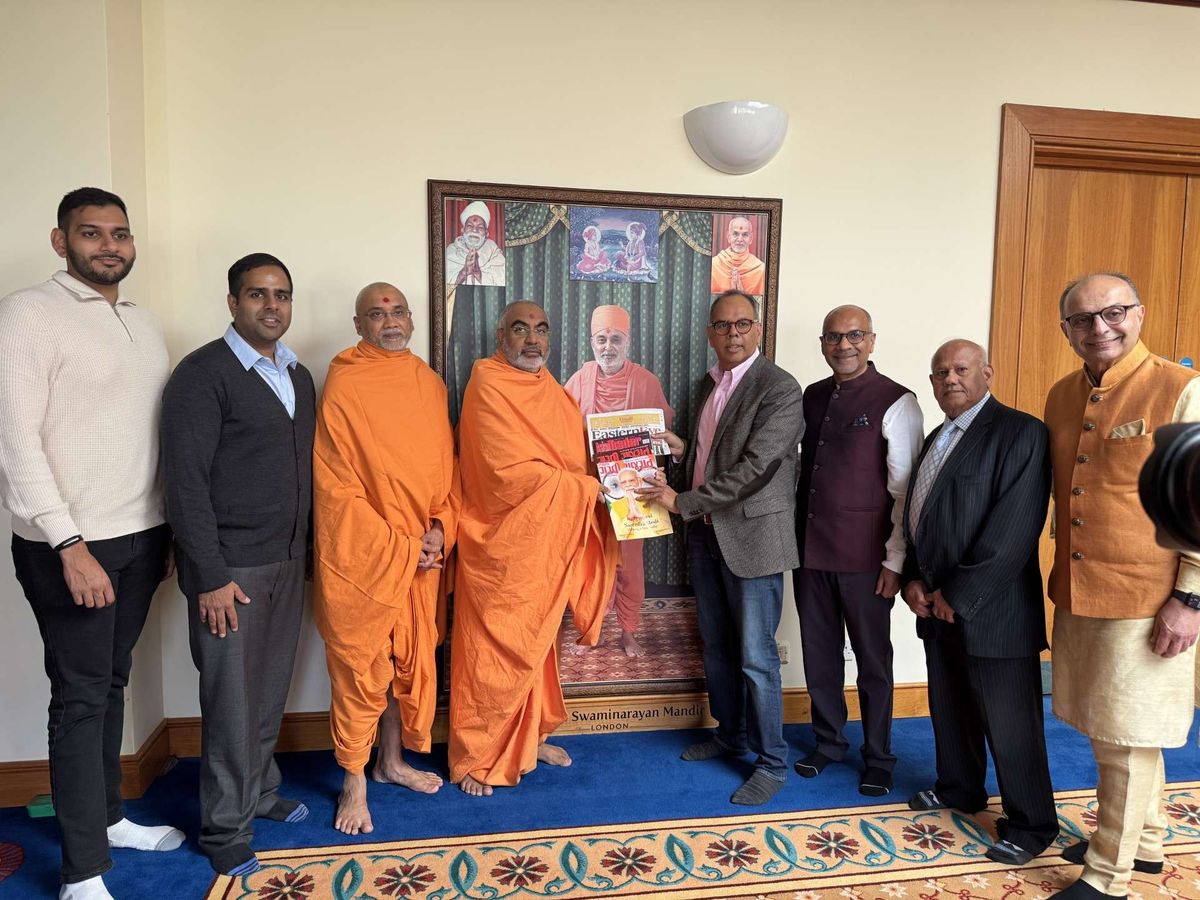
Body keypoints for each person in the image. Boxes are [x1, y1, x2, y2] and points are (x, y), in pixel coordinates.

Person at [0, 187, 182, 900]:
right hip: (69, 545)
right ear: (60, 241)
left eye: (119, 234)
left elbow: (149, 439)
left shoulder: (143, 322)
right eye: (91, 233)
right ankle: (83, 872)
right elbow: (15, 442)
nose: (109, 245)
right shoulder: (26, 314)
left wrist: (163, 530)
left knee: (110, 685)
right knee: (79, 698)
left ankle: (106, 817)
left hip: (139, 537)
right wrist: (68, 544)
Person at [1044, 273, 1200, 899]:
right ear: (1067, 331)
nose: (1098, 328)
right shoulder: (1061, 395)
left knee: (1128, 738)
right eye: (1082, 320)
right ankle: (1148, 842)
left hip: (1152, 596)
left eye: (1112, 313)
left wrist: (1189, 599)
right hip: (1082, 586)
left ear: (1139, 312)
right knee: (1111, 727)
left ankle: (1108, 876)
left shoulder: (1181, 389)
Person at [160, 253, 316, 877]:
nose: (270, 306)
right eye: (257, 295)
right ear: (233, 303)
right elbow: (185, 485)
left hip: (288, 560)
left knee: (269, 689)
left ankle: (263, 791)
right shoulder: (202, 375)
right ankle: (225, 830)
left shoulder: (297, 374)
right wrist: (210, 575)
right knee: (229, 701)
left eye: (281, 295)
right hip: (231, 572)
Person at [639, 290, 803, 806]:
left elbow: (756, 468)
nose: (733, 333)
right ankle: (729, 734)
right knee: (717, 647)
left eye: (742, 324)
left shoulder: (779, 388)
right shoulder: (708, 386)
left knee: (757, 657)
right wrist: (682, 450)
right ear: (710, 332)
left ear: (757, 330)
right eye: (722, 325)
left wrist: (679, 498)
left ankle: (772, 762)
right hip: (708, 535)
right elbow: (714, 454)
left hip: (753, 538)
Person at [449, 300, 618, 797]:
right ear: (501, 335)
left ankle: (528, 737)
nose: (532, 340)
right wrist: (589, 491)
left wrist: (629, 463)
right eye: (520, 329)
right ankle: (480, 753)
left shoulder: (552, 391)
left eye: (541, 329)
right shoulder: (488, 384)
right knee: (495, 648)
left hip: (546, 543)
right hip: (501, 546)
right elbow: (507, 475)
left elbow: (577, 456)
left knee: (538, 642)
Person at [901, 339, 1057, 868]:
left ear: (987, 372)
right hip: (935, 604)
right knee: (952, 708)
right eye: (940, 371)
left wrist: (958, 594)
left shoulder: (1021, 432)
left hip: (995, 610)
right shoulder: (935, 438)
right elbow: (921, 516)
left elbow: (1013, 529)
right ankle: (960, 789)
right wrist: (915, 581)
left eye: (961, 369)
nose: (950, 379)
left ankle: (1033, 824)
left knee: (1011, 723)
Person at [313, 282, 459, 836]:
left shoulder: (427, 383)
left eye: (398, 311)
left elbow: (445, 473)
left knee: (404, 662)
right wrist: (401, 546)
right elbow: (336, 488)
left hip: (422, 556)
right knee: (360, 666)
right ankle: (353, 778)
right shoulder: (345, 383)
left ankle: (391, 761)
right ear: (358, 325)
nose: (390, 321)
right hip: (367, 558)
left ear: (413, 320)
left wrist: (441, 528)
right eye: (376, 314)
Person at [792, 305, 923, 797]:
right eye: (833, 337)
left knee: (873, 660)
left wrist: (895, 561)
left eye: (854, 336)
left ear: (871, 341)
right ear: (823, 343)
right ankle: (828, 743)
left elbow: (905, 491)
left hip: (867, 560)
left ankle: (879, 755)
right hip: (811, 554)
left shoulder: (898, 400)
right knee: (819, 656)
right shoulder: (812, 395)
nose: (843, 345)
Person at [565, 304, 675, 657]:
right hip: (589, 493)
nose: (607, 346)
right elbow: (562, 433)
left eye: (615, 339)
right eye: (601, 339)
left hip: (633, 493)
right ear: (591, 342)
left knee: (629, 567)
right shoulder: (578, 381)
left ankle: (628, 632)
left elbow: (662, 436)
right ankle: (590, 629)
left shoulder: (646, 382)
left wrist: (656, 466)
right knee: (590, 565)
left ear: (627, 342)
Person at [444, 200, 506, 286]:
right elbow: (440, 285)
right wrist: (462, 273)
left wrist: (479, 274)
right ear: (462, 230)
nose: (474, 230)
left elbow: (503, 282)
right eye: (470, 226)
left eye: (480, 227)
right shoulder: (451, 251)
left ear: (487, 233)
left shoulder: (493, 252)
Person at [710, 216, 765, 296]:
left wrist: (743, 295)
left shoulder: (760, 270)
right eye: (735, 234)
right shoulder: (714, 265)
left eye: (745, 235)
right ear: (729, 237)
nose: (740, 239)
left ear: (751, 238)